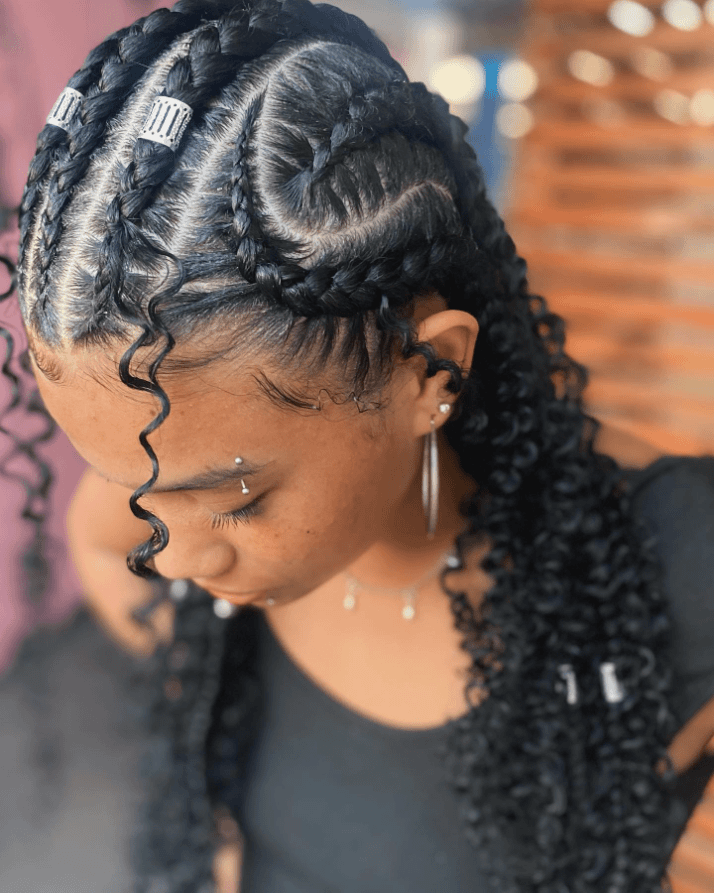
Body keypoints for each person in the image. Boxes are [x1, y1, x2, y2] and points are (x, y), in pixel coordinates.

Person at [2, 0, 714, 890]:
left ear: (432, 370)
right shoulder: (181, 490)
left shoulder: (679, 564)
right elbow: (98, 538)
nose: (173, 560)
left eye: (238, 499)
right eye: (141, 493)